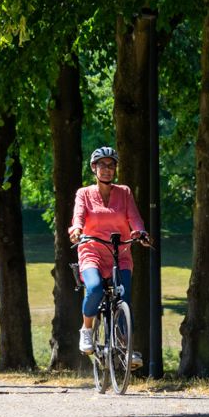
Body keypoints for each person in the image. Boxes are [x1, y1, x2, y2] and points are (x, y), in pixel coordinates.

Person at [68, 146, 149, 356]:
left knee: (124, 298)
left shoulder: (124, 192)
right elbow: (78, 216)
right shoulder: (84, 193)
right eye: (102, 165)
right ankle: (86, 329)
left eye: (111, 165)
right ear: (94, 168)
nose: (107, 169)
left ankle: (124, 346)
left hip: (119, 251)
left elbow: (134, 217)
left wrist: (140, 232)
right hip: (91, 249)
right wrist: (76, 229)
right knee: (94, 288)